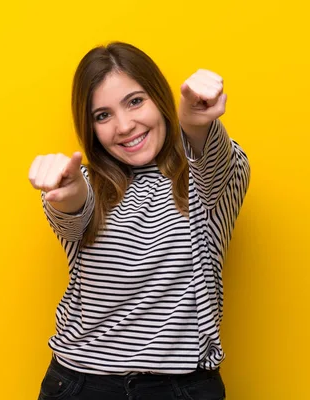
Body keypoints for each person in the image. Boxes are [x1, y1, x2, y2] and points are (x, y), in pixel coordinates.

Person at [28, 42, 250, 400]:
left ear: (160, 99)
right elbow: (73, 210)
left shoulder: (209, 180)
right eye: (103, 115)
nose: (124, 125)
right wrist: (65, 193)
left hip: (181, 388)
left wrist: (194, 122)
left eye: (135, 101)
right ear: (91, 128)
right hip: (82, 384)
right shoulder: (83, 183)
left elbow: (213, 159)